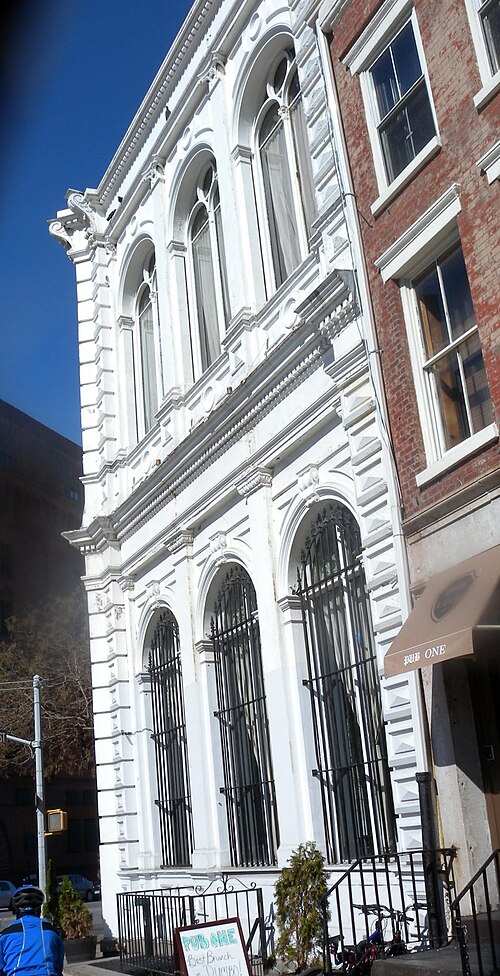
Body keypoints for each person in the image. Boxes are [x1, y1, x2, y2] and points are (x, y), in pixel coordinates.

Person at [0, 885, 64, 976]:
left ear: (16, 909)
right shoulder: (53, 932)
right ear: (39, 909)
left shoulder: (5, 935)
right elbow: (58, 967)